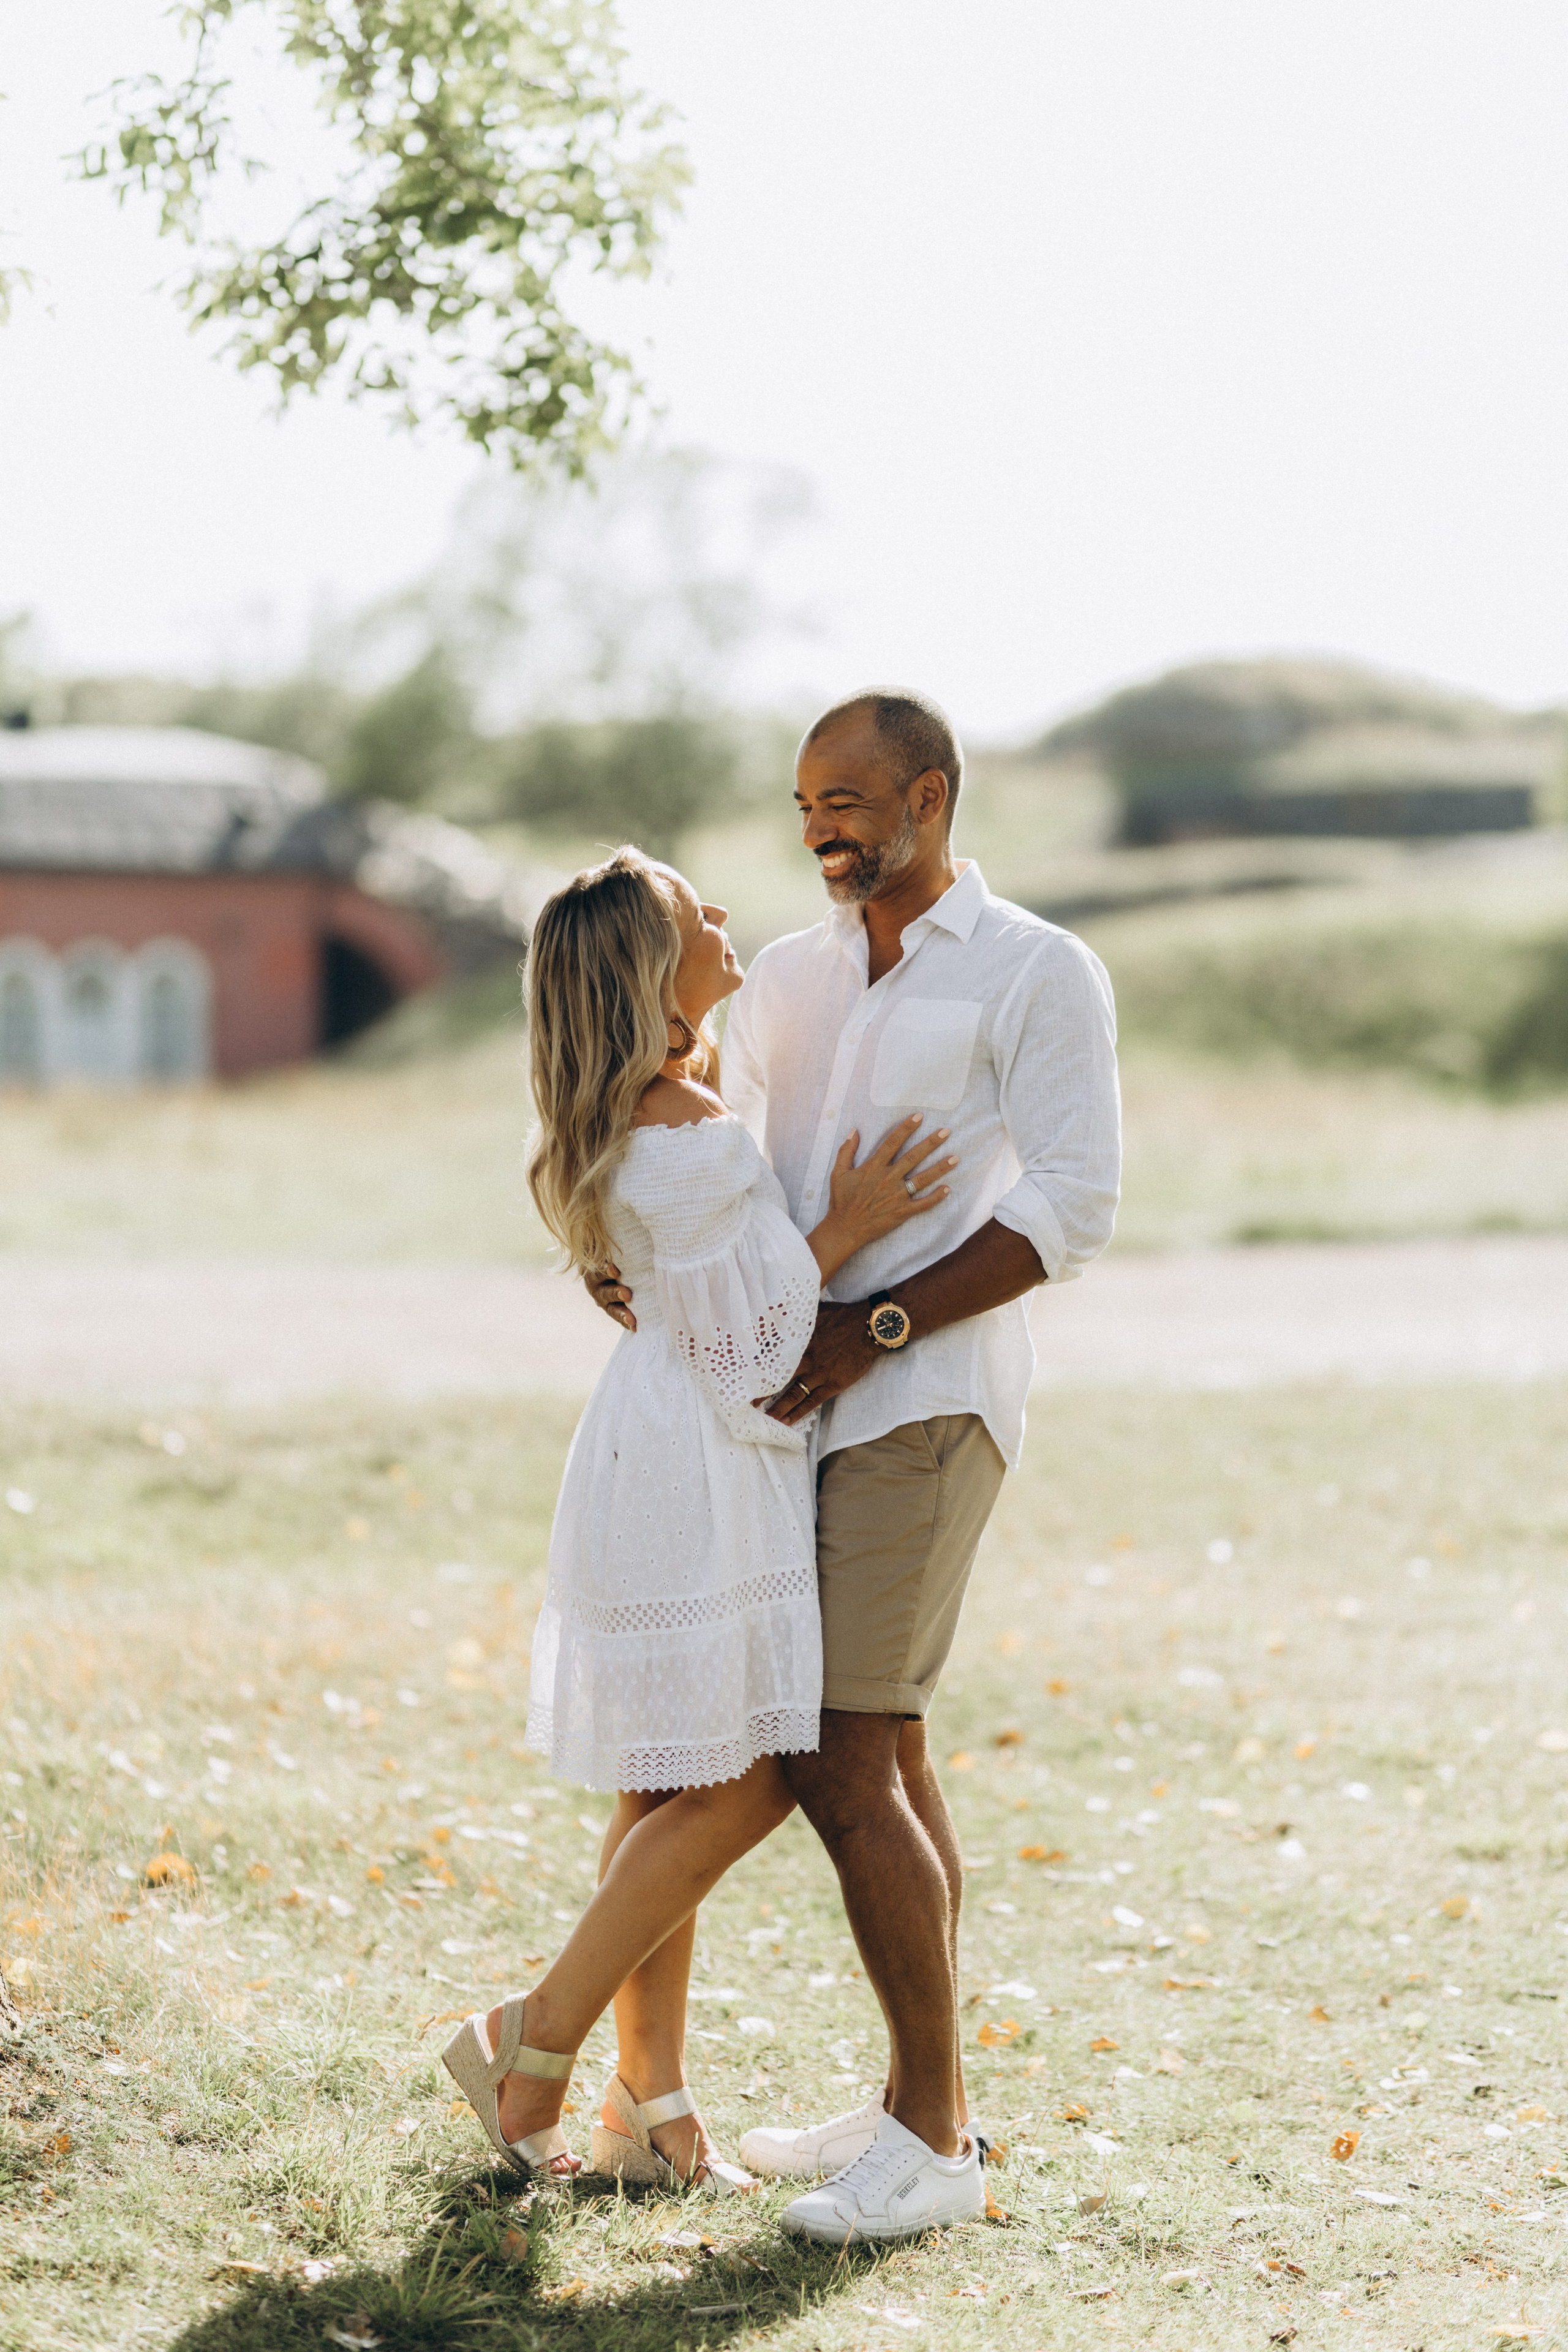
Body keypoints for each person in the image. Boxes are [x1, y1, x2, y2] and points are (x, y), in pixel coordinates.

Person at [589, 687, 1120, 2242]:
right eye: (805, 802)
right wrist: (626, 1258)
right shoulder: (789, 984)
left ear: (930, 797)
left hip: (927, 1400)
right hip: (783, 1407)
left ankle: (935, 2146)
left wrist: (873, 1321)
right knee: (885, 1753)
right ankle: (912, 2103)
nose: (820, 826)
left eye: (849, 799)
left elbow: (1070, 1209)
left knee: (836, 1751)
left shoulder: (1036, 969)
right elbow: (713, 1163)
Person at [443, 846, 957, 2194]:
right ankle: (531, 2034)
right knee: (752, 1777)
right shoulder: (682, 1124)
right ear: (646, 970)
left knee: (663, 1783)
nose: (724, 918)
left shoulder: (661, 1110)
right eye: (694, 914)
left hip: (653, 1448)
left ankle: (647, 2112)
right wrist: (842, 1228)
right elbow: (760, 1352)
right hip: (700, 1464)